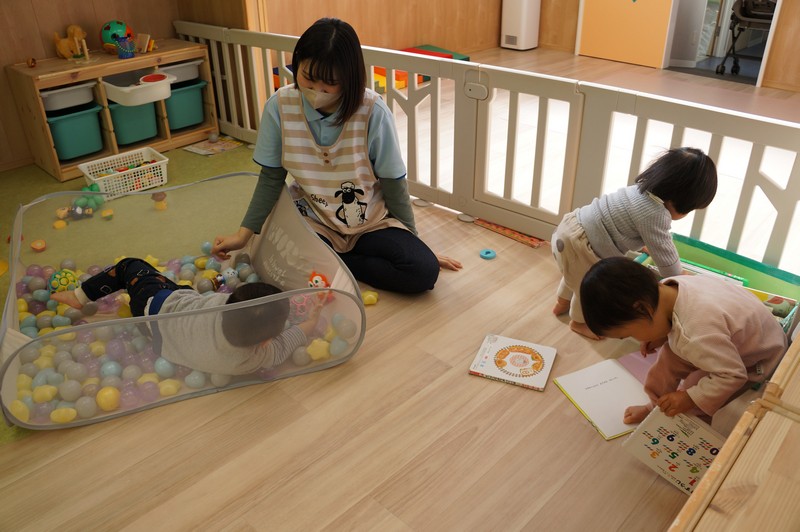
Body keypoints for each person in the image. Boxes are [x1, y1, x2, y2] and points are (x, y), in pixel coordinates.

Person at [211, 17, 461, 294]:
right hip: (313, 220)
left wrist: (413, 241)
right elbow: (271, 178)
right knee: (281, 269)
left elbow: (393, 181)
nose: (316, 90)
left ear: (349, 78)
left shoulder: (373, 111)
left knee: (423, 272)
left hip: (370, 222)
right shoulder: (279, 107)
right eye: (308, 77)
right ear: (297, 64)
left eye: (330, 83)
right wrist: (243, 234)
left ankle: (338, 265)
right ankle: (336, 264)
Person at [580, 256, 787, 424]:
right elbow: (678, 324)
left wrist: (690, 398)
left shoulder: (696, 333)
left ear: (643, 309)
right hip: (735, 337)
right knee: (663, 367)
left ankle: (694, 428)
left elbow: (732, 374)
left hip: (757, 357)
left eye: (630, 334)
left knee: (694, 392)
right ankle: (655, 407)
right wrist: (660, 335)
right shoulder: (667, 287)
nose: (635, 339)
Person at [551, 147, 717, 339]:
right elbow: (665, 255)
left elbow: (624, 225)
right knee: (586, 287)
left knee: (573, 271)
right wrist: (679, 277)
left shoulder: (639, 190)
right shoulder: (656, 214)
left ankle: (561, 303)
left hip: (570, 230)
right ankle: (578, 323)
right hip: (581, 245)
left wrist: (644, 246)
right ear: (681, 201)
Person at [51, 258, 321, 376]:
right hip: (159, 342)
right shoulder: (258, 357)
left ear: (229, 301)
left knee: (129, 267)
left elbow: (238, 302)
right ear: (265, 341)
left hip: (153, 305)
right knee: (181, 289)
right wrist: (312, 318)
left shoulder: (219, 305)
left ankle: (80, 296)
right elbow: (290, 340)